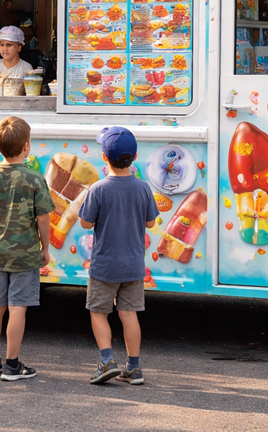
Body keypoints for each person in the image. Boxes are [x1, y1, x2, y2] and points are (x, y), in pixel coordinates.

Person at [0, 117, 54, 381]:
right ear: (26, 146)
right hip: (25, 253)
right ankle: (12, 365)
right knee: (18, 307)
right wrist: (45, 248)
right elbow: (43, 218)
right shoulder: (34, 178)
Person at [78, 127, 158, 385]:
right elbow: (150, 224)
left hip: (104, 266)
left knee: (98, 312)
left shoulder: (98, 189)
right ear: (134, 157)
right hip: (133, 265)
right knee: (129, 314)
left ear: (104, 157)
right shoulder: (143, 188)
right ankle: (133, 368)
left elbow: (85, 224)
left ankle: (106, 362)